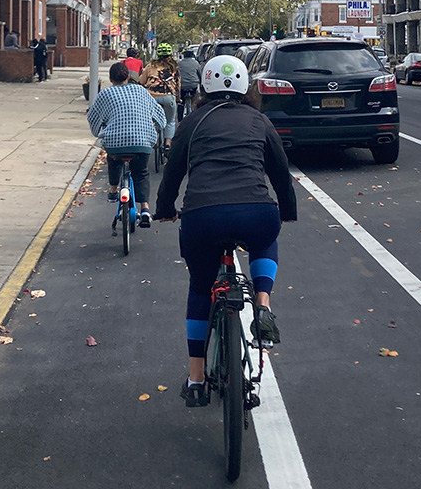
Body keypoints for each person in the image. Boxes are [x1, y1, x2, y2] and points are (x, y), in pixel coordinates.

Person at [154, 55, 297, 408]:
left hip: (202, 216)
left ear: (204, 86)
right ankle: (262, 305)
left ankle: (197, 379)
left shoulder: (193, 122)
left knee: (201, 288)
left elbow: (172, 173)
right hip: (256, 212)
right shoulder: (259, 120)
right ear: (247, 86)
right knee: (266, 241)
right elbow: (280, 173)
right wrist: (288, 211)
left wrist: (164, 210)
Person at [87, 61, 168, 228]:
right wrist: (157, 128)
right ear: (128, 77)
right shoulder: (141, 91)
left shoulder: (105, 94)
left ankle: (112, 191)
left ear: (111, 78)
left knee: (114, 161)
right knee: (141, 173)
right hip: (142, 142)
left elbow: (93, 118)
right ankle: (145, 208)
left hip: (115, 143)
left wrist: (98, 132)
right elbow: (161, 118)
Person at [139, 43, 180, 154]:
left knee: (147, 120)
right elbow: (178, 85)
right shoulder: (174, 67)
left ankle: (147, 140)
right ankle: (167, 144)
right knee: (170, 121)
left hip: (151, 97)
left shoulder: (150, 66)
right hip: (168, 97)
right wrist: (177, 98)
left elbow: (141, 81)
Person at [177, 49, 201, 120]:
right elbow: (200, 74)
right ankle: (195, 115)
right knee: (195, 100)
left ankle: (180, 118)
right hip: (193, 85)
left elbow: (176, 75)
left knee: (181, 103)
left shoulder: (179, 63)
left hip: (182, 85)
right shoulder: (196, 63)